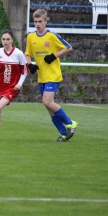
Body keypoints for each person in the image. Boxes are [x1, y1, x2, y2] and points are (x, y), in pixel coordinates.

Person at [25, 9, 78, 142]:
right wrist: (29, 64)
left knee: (47, 101)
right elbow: (27, 53)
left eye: (40, 21)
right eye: (35, 22)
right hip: (41, 76)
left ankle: (70, 123)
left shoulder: (52, 36)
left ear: (46, 21)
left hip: (53, 75)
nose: (37, 24)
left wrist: (54, 56)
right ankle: (64, 134)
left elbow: (68, 47)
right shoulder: (31, 37)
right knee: (48, 106)